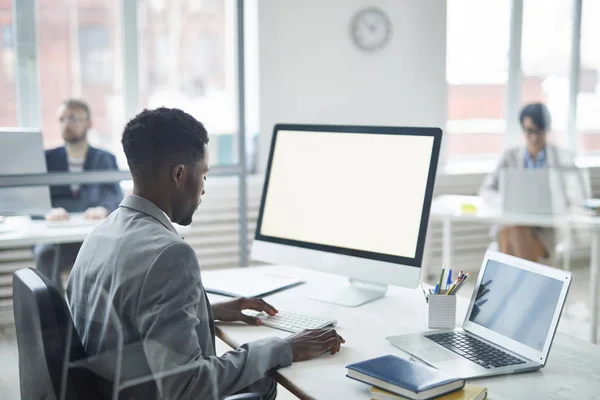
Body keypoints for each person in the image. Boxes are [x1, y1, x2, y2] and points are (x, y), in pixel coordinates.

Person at [66, 107, 345, 400]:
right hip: (148, 390)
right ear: (179, 174)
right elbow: (188, 386)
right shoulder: (170, 255)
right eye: (203, 175)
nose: (203, 189)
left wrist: (206, 311)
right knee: (264, 379)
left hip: (116, 384)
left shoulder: (101, 234)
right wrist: (282, 347)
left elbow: (126, 316)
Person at [33, 99, 123, 289]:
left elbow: (116, 196)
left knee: (111, 255)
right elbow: (32, 198)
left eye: (73, 118)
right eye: (62, 119)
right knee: (45, 254)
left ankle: (94, 313)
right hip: (56, 237)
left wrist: (104, 208)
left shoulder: (105, 158)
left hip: (92, 235)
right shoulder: (45, 159)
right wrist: (46, 210)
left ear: (89, 124)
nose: (67, 124)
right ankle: (54, 314)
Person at [479, 103, 574, 262]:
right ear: (523, 129)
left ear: (547, 129)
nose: (535, 137)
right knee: (513, 228)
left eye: (539, 130)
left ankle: (510, 284)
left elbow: (568, 195)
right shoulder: (510, 156)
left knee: (513, 232)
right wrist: (506, 201)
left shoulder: (560, 158)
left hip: (543, 230)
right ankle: (526, 283)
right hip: (511, 223)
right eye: (529, 131)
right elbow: (487, 189)